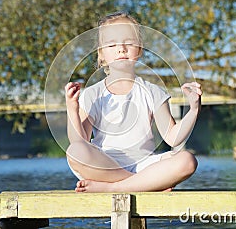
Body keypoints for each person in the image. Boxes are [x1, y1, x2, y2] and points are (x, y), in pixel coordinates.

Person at [64, 11, 202, 192]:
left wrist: (193, 109)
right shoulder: (93, 93)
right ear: (101, 55)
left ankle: (113, 188)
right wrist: (72, 109)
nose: (121, 49)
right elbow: (80, 139)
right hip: (105, 166)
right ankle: (145, 183)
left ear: (140, 50)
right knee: (75, 152)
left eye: (128, 43)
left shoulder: (153, 91)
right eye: (112, 44)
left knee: (187, 161)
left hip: (146, 164)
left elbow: (172, 137)